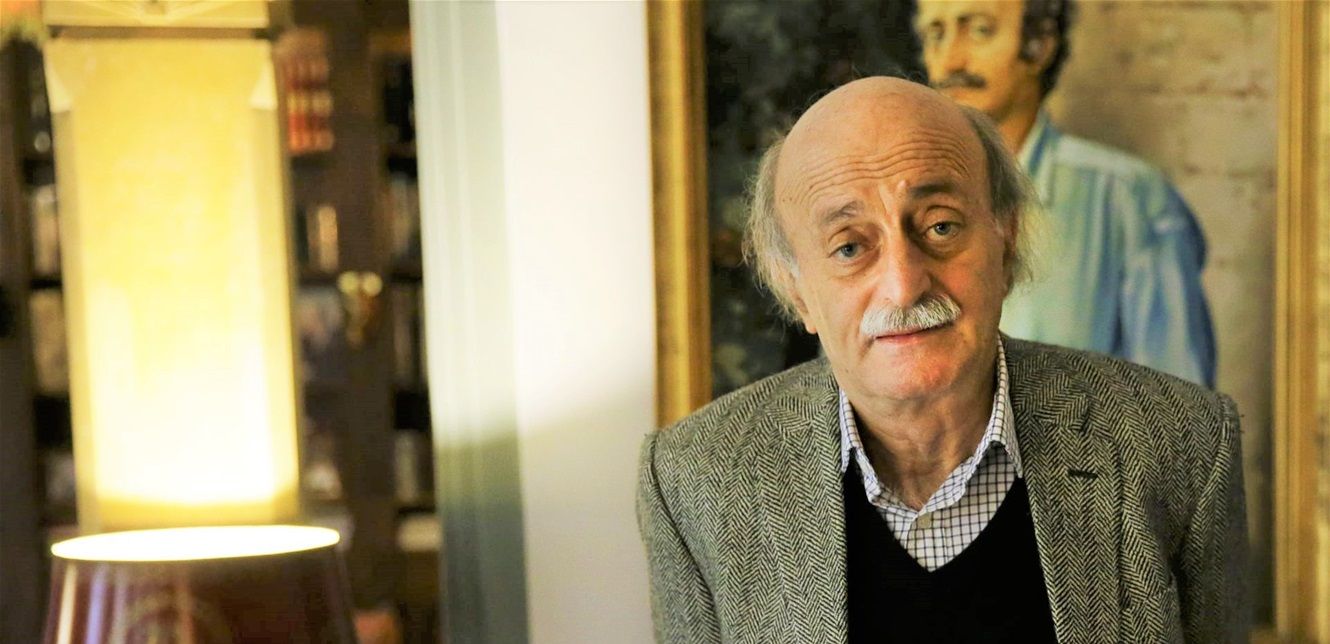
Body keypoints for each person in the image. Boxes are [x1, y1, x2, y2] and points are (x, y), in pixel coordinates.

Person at [637, 77, 1246, 642]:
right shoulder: (693, 479)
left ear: (1005, 241)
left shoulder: (1184, 443)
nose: (904, 286)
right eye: (849, 247)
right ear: (797, 291)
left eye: (941, 227)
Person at [915, 0, 1217, 387]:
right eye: (936, 34)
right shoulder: (904, 199)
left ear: (1040, 46)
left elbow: (1176, 402)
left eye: (979, 30)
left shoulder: (1127, 198)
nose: (950, 61)